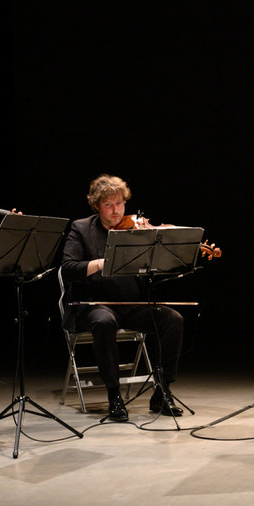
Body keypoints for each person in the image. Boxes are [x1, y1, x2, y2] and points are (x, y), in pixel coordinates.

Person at [60, 174, 184, 421]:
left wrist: (166, 260)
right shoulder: (81, 228)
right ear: (97, 206)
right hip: (95, 305)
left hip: (131, 305)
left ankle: (162, 391)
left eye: (120, 203)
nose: (116, 210)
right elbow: (68, 268)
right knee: (104, 322)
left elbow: (151, 275)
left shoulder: (134, 230)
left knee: (173, 319)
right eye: (109, 205)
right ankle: (114, 395)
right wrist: (101, 263)